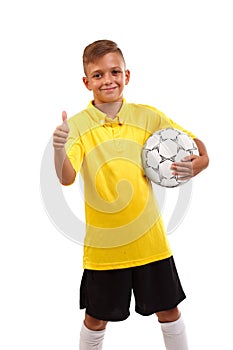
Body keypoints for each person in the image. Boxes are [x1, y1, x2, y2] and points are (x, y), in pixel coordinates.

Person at [53, 39, 209, 350]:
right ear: (86, 82)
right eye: (98, 75)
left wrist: (201, 163)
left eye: (114, 72)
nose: (107, 80)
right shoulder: (79, 126)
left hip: (150, 241)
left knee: (169, 311)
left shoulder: (148, 116)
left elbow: (196, 147)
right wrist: (59, 149)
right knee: (96, 318)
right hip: (105, 248)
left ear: (127, 75)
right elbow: (66, 177)